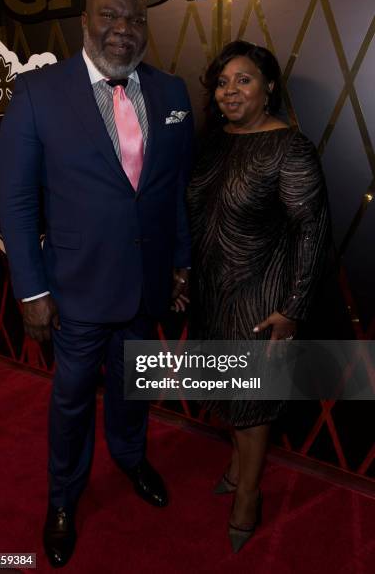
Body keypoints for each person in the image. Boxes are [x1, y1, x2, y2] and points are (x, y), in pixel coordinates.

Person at [0, 0, 193, 568]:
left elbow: (172, 192)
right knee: (73, 401)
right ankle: (63, 499)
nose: (123, 29)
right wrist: (31, 289)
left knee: (134, 390)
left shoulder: (171, 91)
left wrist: (181, 263)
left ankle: (131, 457)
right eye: (110, 16)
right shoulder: (36, 93)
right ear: (85, 22)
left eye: (134, 19)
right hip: (75, 289)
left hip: (145, 285)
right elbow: (19, 203)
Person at [187, 40, 331, 553]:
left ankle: (248, 494)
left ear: (269, 86)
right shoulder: (214, 142)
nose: (230, 91)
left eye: (243, 80)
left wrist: (292, 309)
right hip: (210, 293)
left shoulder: (289, 147)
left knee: (250, 402)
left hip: (259, 297)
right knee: (225, 395)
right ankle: (233, 466)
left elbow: (312, 232)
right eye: (223, 82)